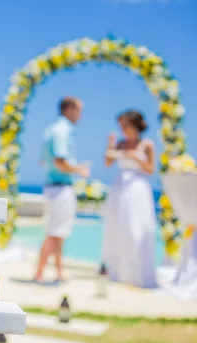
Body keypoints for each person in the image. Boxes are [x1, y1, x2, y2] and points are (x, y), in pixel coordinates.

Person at [34, 97, 90, 283]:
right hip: (60, 188)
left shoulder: (51, 130)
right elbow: (60, 160)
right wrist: (79, 169)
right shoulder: (62, 131)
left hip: (52, 186)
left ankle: (58, 271)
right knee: (54, 233)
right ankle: (40, 273)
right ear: (69, 109)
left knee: (58, 232)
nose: (81, 115)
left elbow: (44, 161)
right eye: (79, 110)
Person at [101, 110, 158, 288]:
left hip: (138, 189)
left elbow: (150, 169)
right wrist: (109, 145)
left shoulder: (147, 145)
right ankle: (117, 271)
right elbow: (108, 162)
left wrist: (137, 159)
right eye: (122, 126)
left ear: (135, 125)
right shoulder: (120, 144)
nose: (123, 129)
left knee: (136, 229)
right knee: (117, 227)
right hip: (120, 189)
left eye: (125, 125)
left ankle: (137, 273)